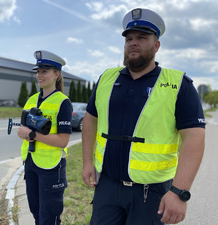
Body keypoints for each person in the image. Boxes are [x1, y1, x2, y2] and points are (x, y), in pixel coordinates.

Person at [82, 8, 205, 225]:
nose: (133, 43)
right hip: (107, 186)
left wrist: (179, 192)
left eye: (142, 37)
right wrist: (86, 162)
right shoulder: (107, 78)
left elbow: (194, 138)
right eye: (129, 38)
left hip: (151, 192)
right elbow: (90, 119)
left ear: (156, 45)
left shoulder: (178, 85)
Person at [17, 50, 73, 225]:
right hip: (31, 163)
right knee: (36, 213)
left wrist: (32, 135)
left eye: (44, 71)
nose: (39, 75)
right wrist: (22, 133)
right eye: (38, 71)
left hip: (51, 166)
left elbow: (63, 141)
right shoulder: (32, 99)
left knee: (49, 218)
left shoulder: (63, 102)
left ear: (56, 74)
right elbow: (23, 128)